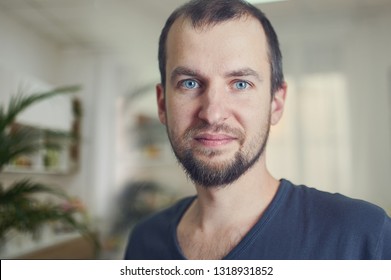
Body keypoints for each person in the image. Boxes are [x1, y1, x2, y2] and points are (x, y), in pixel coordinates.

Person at [124, 0, 391, 259]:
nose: (213, 113)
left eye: (240, 84)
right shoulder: (144, 242)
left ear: (276, 103)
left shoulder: (362, 238)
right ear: (162, 104)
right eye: (190, 83)